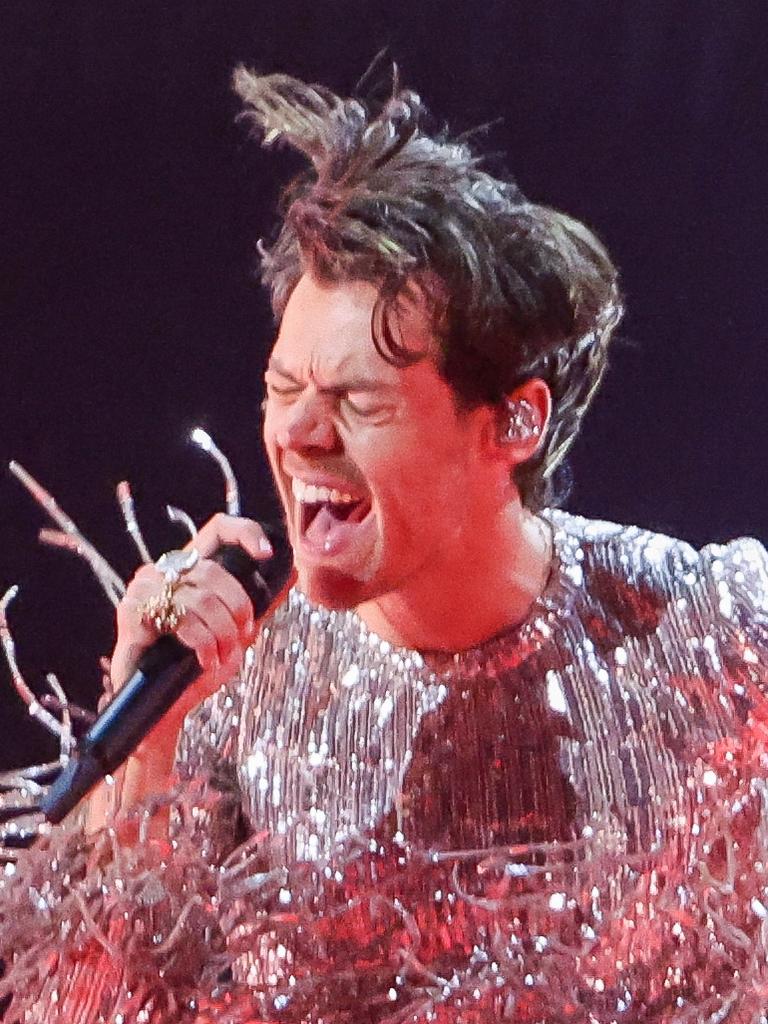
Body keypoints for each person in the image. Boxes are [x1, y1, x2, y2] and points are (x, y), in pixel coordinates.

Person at [2, 69, 768, 1024]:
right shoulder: (229, 683)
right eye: (286, 391)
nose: (300, 437)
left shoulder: (711, 639)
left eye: (358, 402)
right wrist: (146, 752)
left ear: (511, 424)